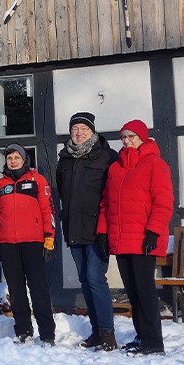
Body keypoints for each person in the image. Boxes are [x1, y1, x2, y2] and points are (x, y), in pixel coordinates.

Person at [97, 120, 173, 356]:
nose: (127, 141)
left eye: (131, 136)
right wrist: (102, 231)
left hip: (143, 239)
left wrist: (153, 231)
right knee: (132, 291)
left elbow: (163, 202)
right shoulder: (116, 168)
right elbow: (106, 204)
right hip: (121, 240)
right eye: (124, 137)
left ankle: (154, 343)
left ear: (142, 138)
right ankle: (142, 336)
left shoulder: (155, 164)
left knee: (145, 290)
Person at [56, 112, 119, 351]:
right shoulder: (65, 159)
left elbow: (113, 196)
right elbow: (63, 193)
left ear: (92, 131)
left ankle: (107, 333)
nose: (79, 133)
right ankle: (96, 331)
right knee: (85, 281)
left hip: (97, 230)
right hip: (73, 228)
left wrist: (106, 230)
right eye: (75, 129)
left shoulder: (106, 157)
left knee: (95, 279)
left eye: (83, 128)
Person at [0, 144, 57, 345]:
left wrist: (49, 238)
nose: (13, 160)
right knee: (16, 291)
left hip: (33, 243)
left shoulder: (38, 180)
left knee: (39, 289)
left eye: (17, 157)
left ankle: (47, 335)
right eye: (10, 157)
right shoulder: (1, 185)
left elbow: (48, 210)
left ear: (25, 160)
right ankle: (24, 332)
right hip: (7, 244)